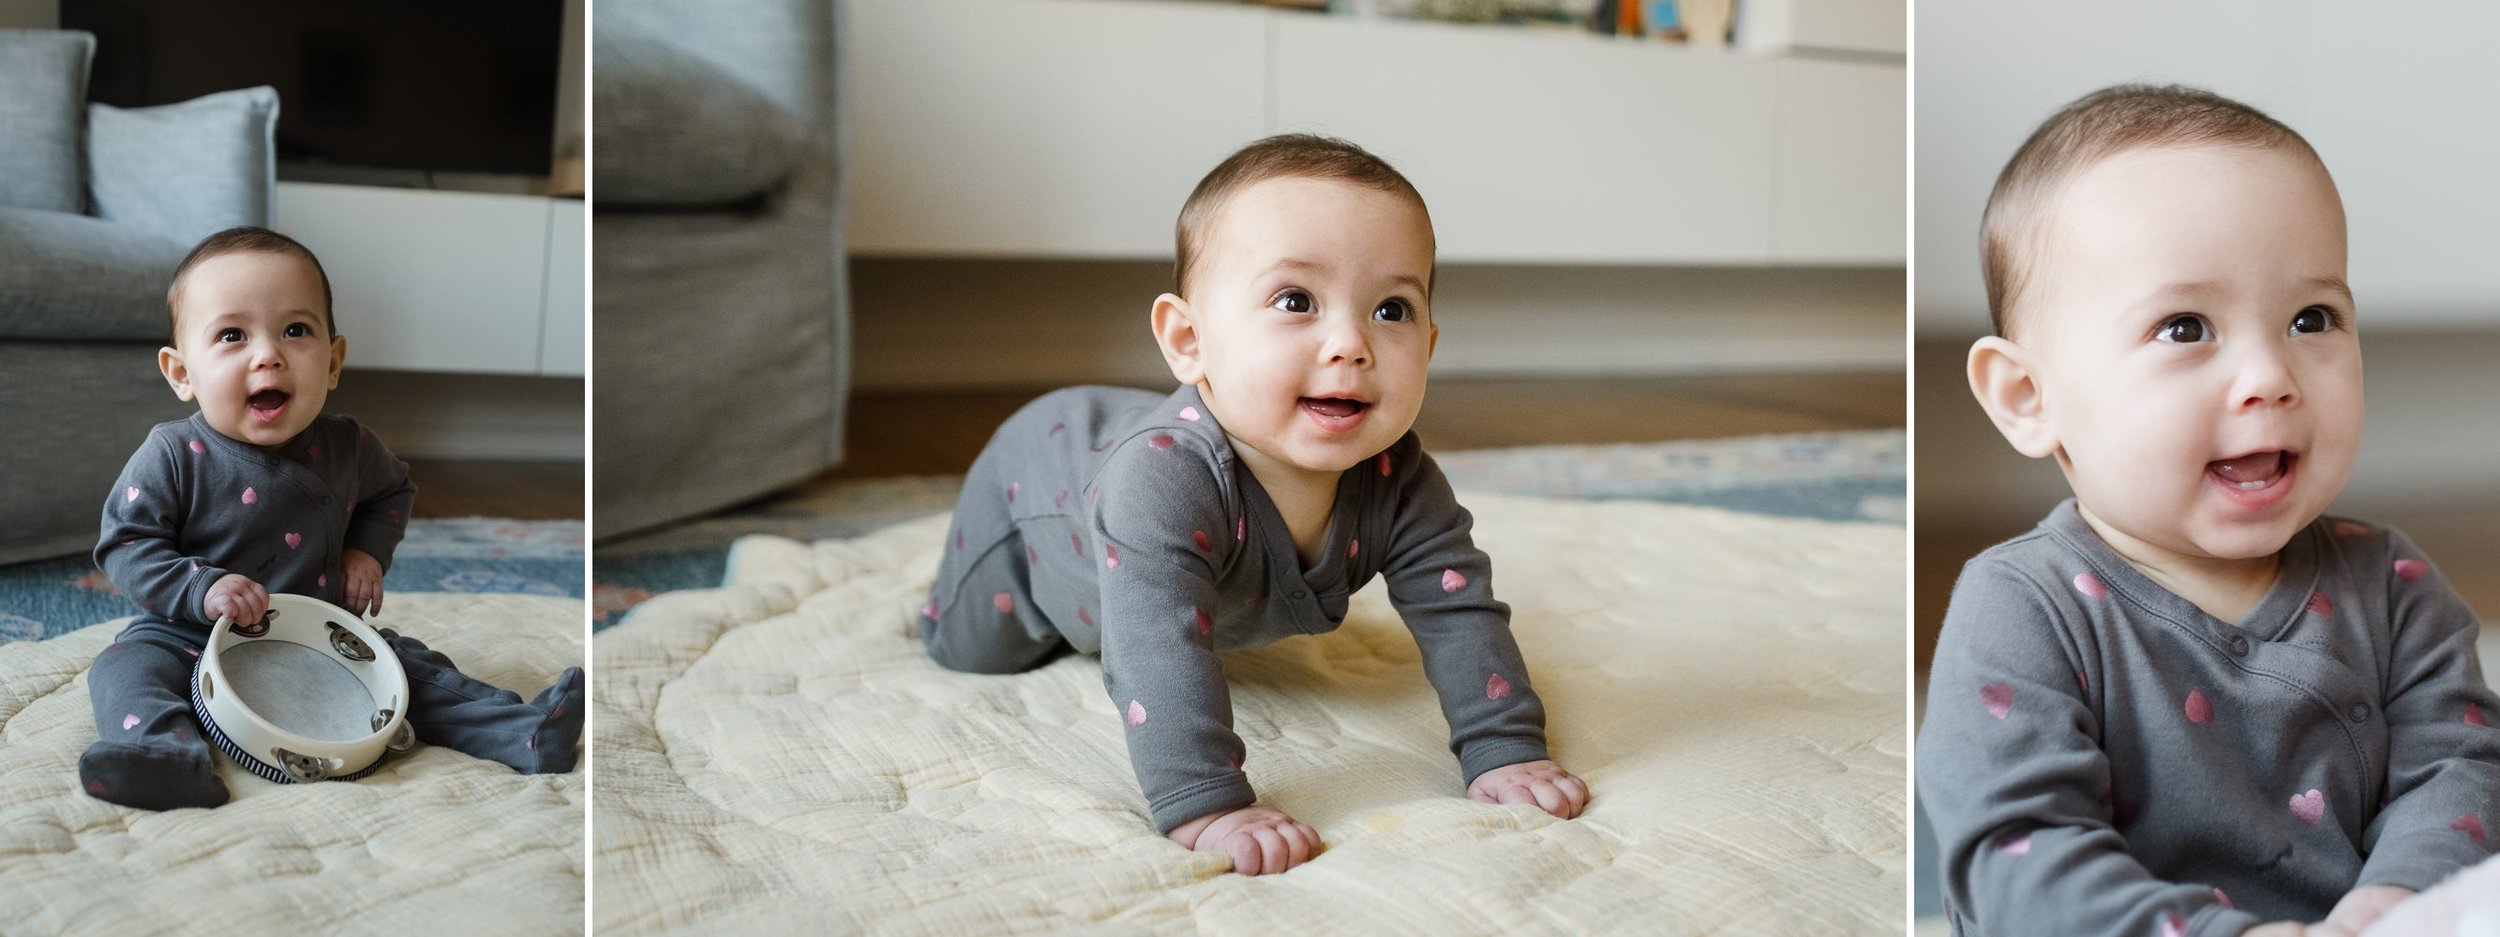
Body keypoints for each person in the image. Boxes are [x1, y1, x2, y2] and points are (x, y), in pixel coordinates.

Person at [919, 135, 1589, 876]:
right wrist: (1206, 802)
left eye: (1391, 308)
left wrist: (1505, 748)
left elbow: (1459, 611)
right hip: (1033, 497)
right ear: (1188, 340)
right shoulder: (1160, 483)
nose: (1350, 342)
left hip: (1136, 502)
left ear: (1429, 346)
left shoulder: (1400, 479)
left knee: (1172, 609)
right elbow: (1156, 650)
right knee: (974, 648)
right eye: (1295, 300)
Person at [1919, 85, 2499, 936]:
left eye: (2312, 317)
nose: (2271, 374)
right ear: (2029, 396)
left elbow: (2464, 771)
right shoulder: (2022, 610)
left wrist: (2395, 905)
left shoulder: (2395, 587)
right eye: (2185, 327)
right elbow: (2020, 854)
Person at [83, 226, 585, 810]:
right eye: (231, 335)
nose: (267, 353)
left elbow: (392, 492)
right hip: (186, 631)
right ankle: (161, 757)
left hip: (318, 631)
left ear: (333, 360)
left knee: (409, 671)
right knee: (122, 668)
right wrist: (201, 587)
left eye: (296, 330)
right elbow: (125, 545)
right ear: (181, 373)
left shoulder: (351, 446)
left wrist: (365, 552)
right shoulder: (172, 455)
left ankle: (522, 730)